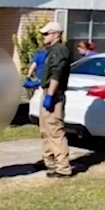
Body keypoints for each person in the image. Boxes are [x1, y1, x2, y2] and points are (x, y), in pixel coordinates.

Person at [39, 22, 73, 178]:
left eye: (47, 34)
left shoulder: (60, 50)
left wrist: (50, 95)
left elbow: (56, 74)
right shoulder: (51, 51)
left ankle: (63, 168)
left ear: (56, 34)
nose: (44, 37)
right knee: (45, 130)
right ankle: (50, 161)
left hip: (54, 94)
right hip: (47, 91)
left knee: (55, 130)